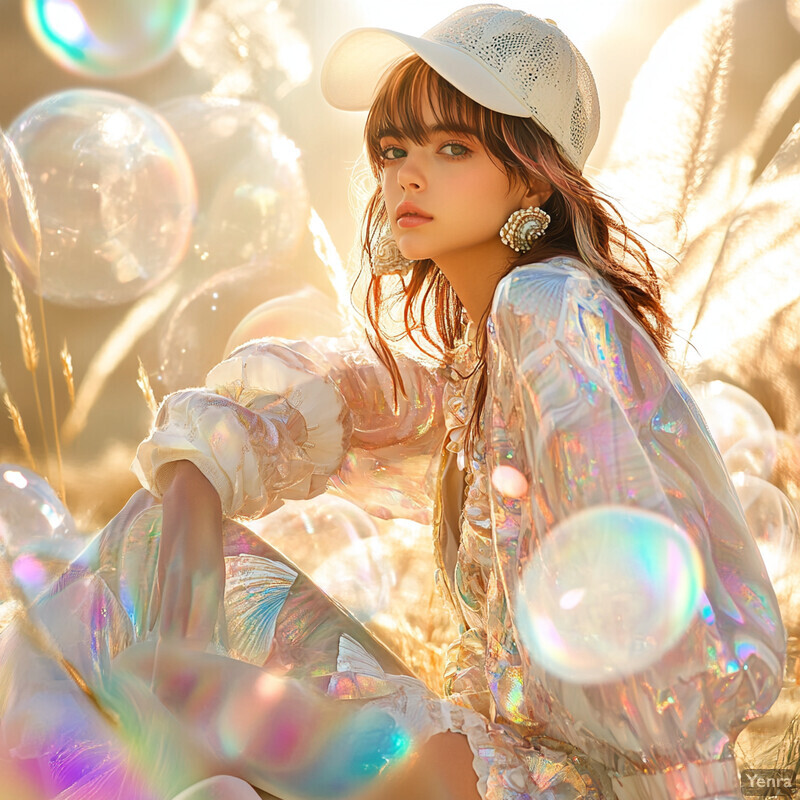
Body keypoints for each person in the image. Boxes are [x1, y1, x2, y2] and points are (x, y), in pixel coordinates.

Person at [0, 5, 785, 800]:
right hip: (502, 761)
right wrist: (180, 644)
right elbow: (301, 408)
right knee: (144, 544)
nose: (407, 173)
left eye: (453, 147)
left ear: (533, 172)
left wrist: (186, 683)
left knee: (161, 675)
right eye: (394, 147)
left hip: (582, 785)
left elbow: (649, 637)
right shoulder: (476, 361)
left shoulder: (548, 306)